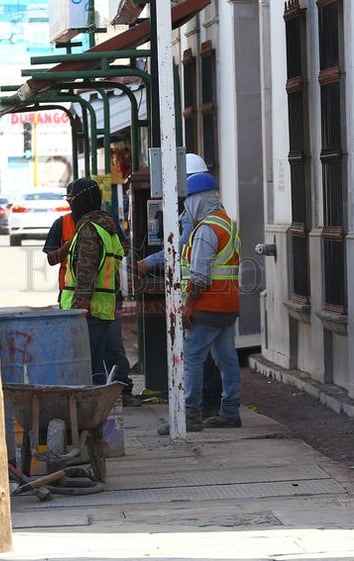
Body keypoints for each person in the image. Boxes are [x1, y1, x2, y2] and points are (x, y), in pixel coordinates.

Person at [135, 154, 223, 418]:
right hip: (214, 295)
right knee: (217, 355)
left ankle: (198, 407)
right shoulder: (214, 215)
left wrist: (147, 263)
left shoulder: (195, 218)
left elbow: (179, 249)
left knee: (197, 354)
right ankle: (213, 403)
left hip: (199, 295)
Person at [159, 172, 242, 434]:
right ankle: (230, 412)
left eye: (188, 201)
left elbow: (200, 276)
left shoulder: (206, 229)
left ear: (197, 201)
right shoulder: (227, 223)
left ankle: (189, 416)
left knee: (192, 359)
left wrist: (189, 306)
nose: (186, 207)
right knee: (227, 359)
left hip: (207, 306)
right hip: (228, 305)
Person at [58, 178, 141, 399]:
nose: (70, 206)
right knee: (101, 361)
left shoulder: (89, 229)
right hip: (104, 308)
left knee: (89, 368)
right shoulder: (107, 228)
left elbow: (86, 272)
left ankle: (94, 412)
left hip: (89, 311)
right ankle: (105, 406)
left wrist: (78, 309)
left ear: (82, 200)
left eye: (72, 201)